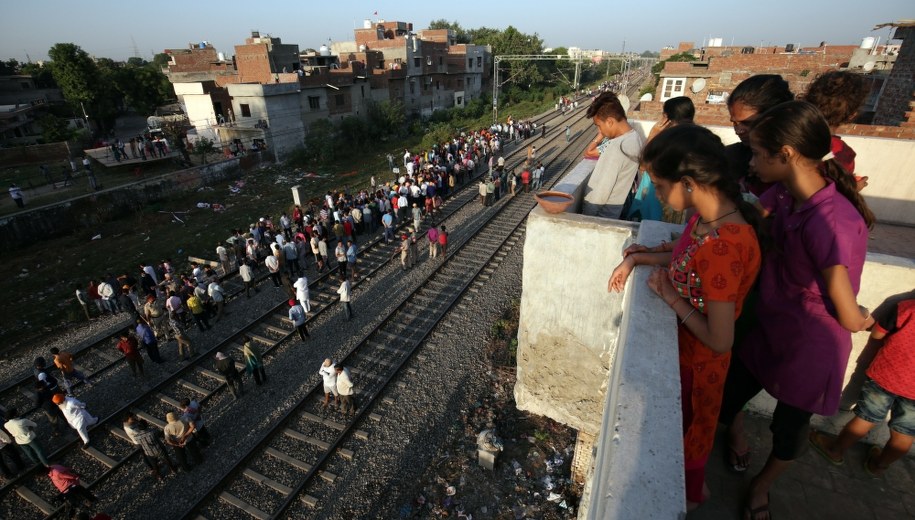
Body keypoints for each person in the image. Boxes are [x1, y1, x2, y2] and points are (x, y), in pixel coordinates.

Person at [717, 101, 876, 520]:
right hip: (771, 321)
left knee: (788, 433)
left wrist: (865, 319)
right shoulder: (789, 191)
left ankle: (760, 488)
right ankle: (733, 439)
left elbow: (846, 315)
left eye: (757, 153)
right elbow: (753, 217)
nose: (751, 161)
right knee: (726, 396)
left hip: (811, 342)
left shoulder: (831, 221)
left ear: (785, 155)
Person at [608, 124, 761, 510]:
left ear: (689, 182)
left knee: (687, 440)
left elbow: (720, 338)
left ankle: (690, 500)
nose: (658, 195)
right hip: (684, 358)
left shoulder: (723, 248)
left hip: (698, 369)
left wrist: (671, 297)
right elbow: (682, 255)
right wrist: (637, 258)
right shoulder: (705, 221)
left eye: (660, 186)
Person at [809, 291, 915, 476]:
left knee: (866, 418)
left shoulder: (905, 307)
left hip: (886, 375)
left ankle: (836, 450)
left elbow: (877, 333)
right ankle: (879, 466)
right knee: (905, 432)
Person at [723, 74, 794, 197]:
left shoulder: (801, 167)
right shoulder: (732, 157)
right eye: (734, 123)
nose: (738, 131)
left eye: (747, 123)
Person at [801, 70, 870, 191]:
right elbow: (832, 192)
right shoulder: (844, 154)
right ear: (852, 115)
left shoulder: (789, 132)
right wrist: (851, 189)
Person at [581, 91, 644, 219]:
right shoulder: (635, 137)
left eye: (599, 126)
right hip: (615, 214)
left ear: (610, 122)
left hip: (600, 218)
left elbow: (600, 191)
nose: (599, 131)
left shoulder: (616, 147)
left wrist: (585, 218)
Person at [123, 414, 176, 479]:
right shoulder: (152, 432)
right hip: (159, 449)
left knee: (154, 465)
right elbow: (159, 435)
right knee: (167, 459)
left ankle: (158, 475)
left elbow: (140, 442)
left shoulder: (137, 437)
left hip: (149, 453)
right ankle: (173, 469)